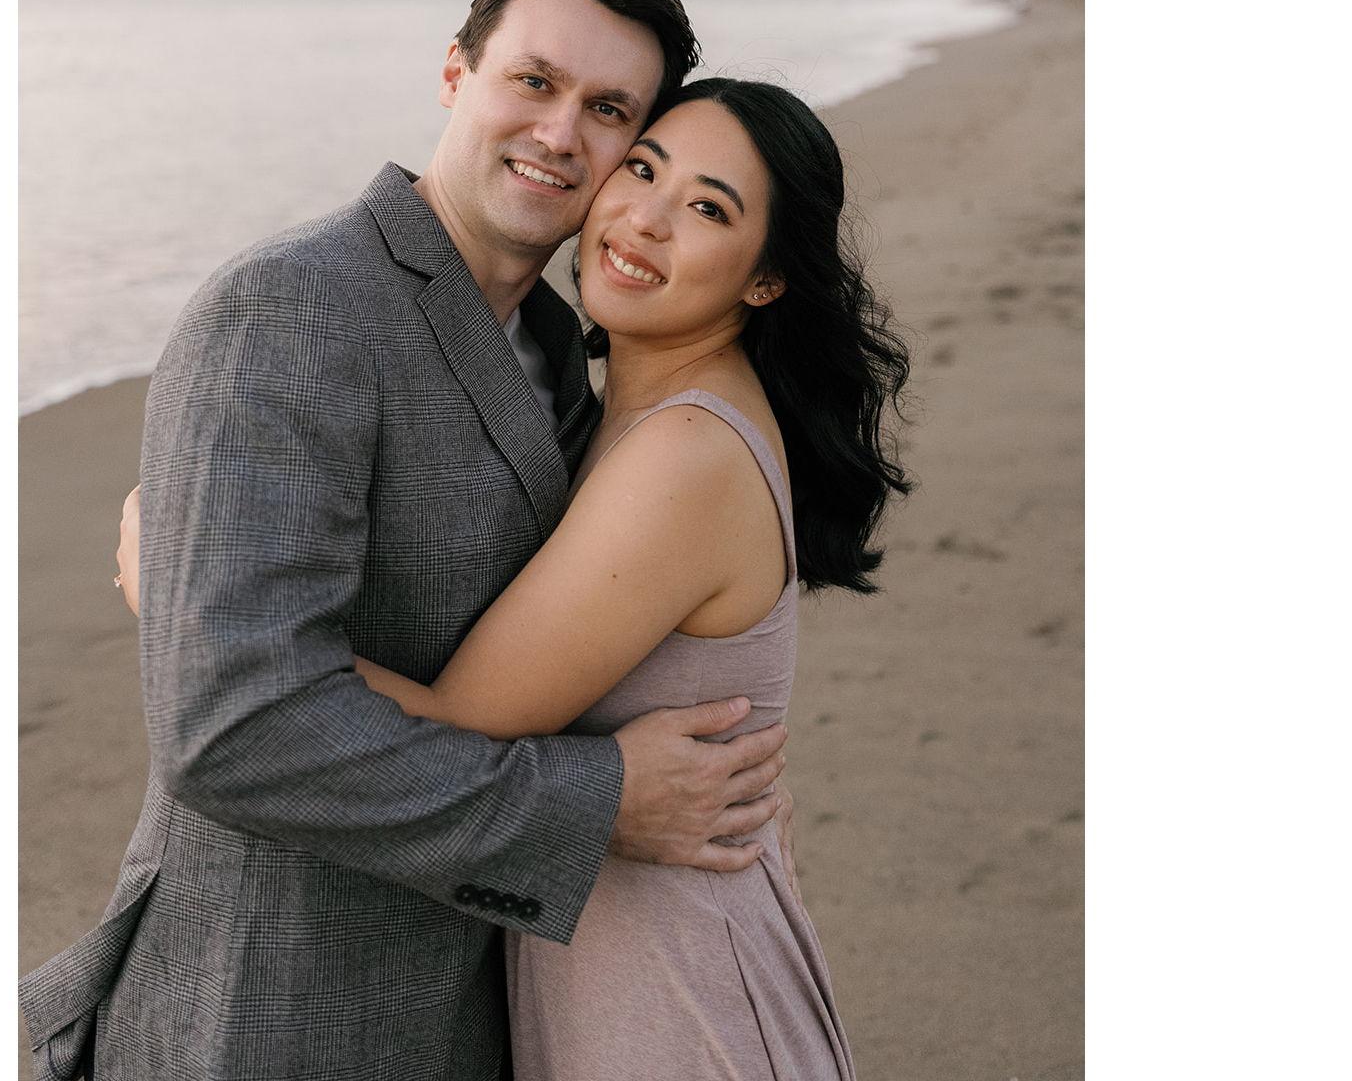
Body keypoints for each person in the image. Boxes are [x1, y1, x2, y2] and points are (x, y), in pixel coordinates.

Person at [19, 0, 794, 1081]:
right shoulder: (290, 307)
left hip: (473, 1011)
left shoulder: (559, 354)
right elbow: (233, 728)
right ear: (454, 73)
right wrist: (599, 801)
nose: (559, 132)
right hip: (271, 1007)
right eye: (532, 80)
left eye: (606, 110)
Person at [114, 76, 914, 1078]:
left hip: (670, 987)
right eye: (643, 169)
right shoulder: (607, 408)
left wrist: (184, 598)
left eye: (709, 210)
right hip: (608, 950)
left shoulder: (685, 453)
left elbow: (460, 718)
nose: (646, 219)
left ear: (764, 280)